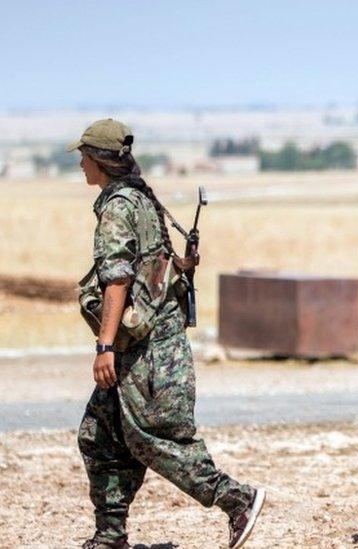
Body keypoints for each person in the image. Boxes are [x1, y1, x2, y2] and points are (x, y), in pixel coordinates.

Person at [72, 119, 264, 549]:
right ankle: (110, 536)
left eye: (85, 155)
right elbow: (156, 268)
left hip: (145, 352)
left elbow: (116, 279)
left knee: (156, 440)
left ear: (101, 159)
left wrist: (104, 345)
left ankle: (238, 500)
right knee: (99, 436)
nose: (81, 163)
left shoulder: (121, 205)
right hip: (146, 344)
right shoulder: (141, 199)